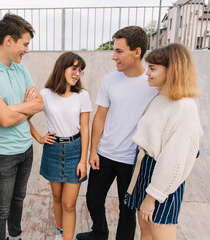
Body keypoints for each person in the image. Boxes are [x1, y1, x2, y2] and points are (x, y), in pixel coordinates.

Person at [76, 26, 158, 240]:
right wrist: (93, 151)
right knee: (93, 199)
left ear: (137, 52)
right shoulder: (110, 80)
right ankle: (99, 232)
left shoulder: (153, 83)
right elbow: (100, 117)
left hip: (132, 160)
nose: (114, 57)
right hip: (104, 154)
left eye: (119, 51)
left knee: (127, 210)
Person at [0, 13, 44, 240]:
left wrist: (9, 108)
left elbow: (40, 104)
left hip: (26, 149)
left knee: (19, 200)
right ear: (8, 40)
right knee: (1, 209)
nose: (27, 50)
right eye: (25, 44)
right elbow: (3, 120)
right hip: (2, 154)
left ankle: (15, 237)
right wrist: (24, 108)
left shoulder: (20, 69)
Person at [124, 43, 203, 240]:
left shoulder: (185, 107)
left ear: (173, 70)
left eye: (153, 68)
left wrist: (152, 197)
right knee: (146, 231)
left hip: (162, 178)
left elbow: (174, 159)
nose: (147, 73)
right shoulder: (161, 98)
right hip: (146, 170)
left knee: (160, 233)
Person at [28, 52, 92, 240]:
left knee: (69, 204)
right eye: (74, 68)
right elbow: (25, 117)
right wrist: (39, 137)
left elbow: (85, 130)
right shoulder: (45, 94)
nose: (77, 74)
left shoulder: (82, 95)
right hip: (53, 151)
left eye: (80, 71)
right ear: (61, 68)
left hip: (75, 152)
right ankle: (60, 231)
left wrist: (83, 160)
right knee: (56, 197)